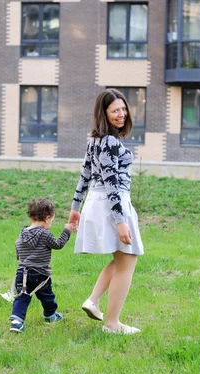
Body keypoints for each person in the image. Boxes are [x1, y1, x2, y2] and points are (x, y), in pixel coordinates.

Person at [69, 89, 144, 335]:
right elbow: (112, 183)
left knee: (121, 258)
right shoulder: (110, 142)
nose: (121, 114)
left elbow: (85, 175)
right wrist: (121, 221)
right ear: (104, 113)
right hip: (113, 203)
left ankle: (93, 301)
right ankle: (112, 324)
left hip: (97, 201)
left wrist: (75, 207)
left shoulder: (95, 140)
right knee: (128, 260)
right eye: (115, 111)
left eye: (123, 109)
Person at [9, 198, 75, 333]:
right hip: (40, 274)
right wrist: (67, 231)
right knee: (47, 296)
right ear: (47, 218)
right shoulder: (44, 234)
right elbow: (58, 244)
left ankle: (16, 323)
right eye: (52, 220)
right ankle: (50, 316)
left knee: (22, 296)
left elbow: (18, 249)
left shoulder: (22, 234)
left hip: (22, 273)